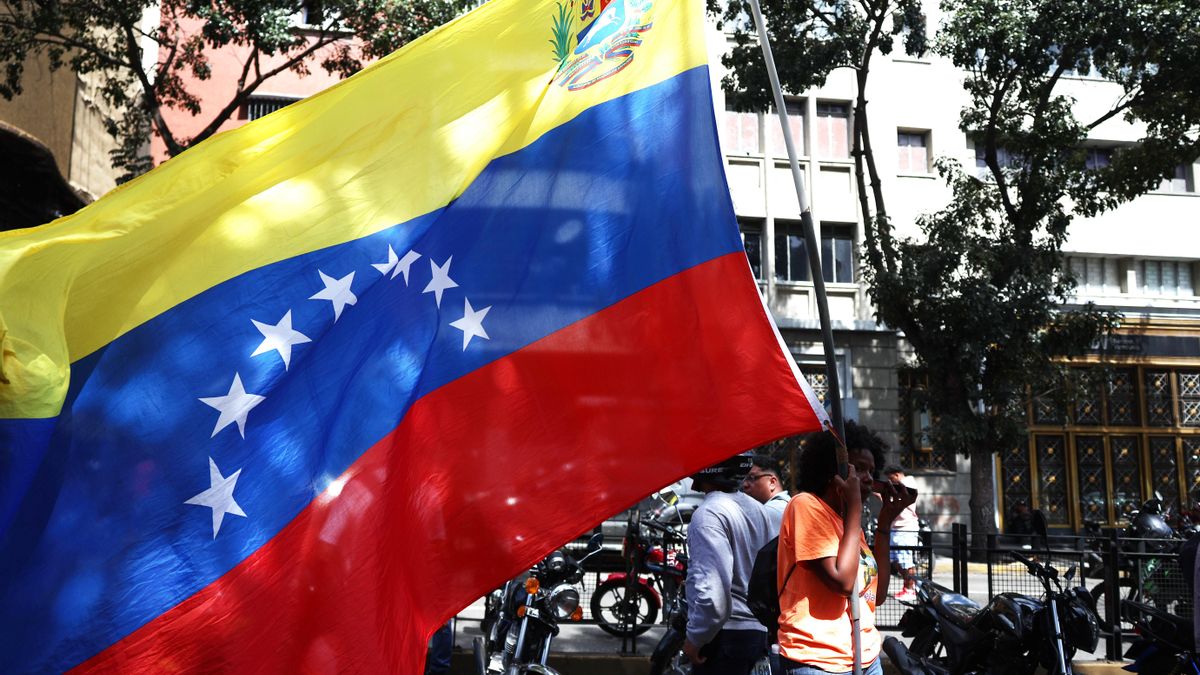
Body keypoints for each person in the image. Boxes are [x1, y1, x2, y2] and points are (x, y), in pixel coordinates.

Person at [776, 421, 916, 675]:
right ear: (832, 470)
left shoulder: (850, 525)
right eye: (859, 468)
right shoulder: (805, 506)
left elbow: (879, 595)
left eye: (871, 471)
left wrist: (885, 522)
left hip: (865, 655)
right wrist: (854, 510)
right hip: (817, 659)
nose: (868, 479)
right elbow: (842, 582)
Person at [683, 452, 776, 674]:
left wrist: (695, 639)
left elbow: (713, 598)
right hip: (757, 635)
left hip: (725, 639)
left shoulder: (708, 515)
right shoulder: (758, 510)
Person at [882, 465, 920, 601]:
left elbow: (897, 502)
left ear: (897, 474)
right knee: (897, 561)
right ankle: (908, 586)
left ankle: (911, 589)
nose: (890, 481)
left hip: (905, 528)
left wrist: (882, 495)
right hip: (897, 528)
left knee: (906, 561)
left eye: (890, 478)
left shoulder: (907, 483)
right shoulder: (901, 485)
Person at [744, 454, 790, 522]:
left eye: (751, 478)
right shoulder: (787, 505)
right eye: (743, 479)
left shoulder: (771, 511)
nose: (745, 485)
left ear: (772, 482)